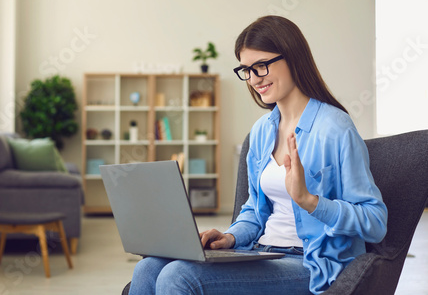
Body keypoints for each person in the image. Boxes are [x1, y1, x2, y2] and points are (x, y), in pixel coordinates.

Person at [128, 15, 388, 295]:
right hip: (260, 253)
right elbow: (255, 210)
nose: (253, 79)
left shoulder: (334, 128)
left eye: (261, 66)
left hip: (310, 264)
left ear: (292, 57)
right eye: (246, 70)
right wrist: (229, 237)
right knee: (149, 267)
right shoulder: (262, 131)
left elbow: (375, 222)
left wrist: (310, 201)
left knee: (179, 276)